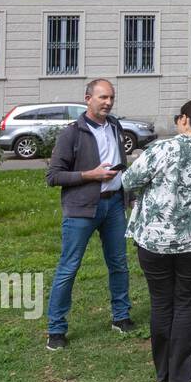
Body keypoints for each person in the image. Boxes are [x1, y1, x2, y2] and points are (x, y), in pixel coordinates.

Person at [122, 99, 191, 382]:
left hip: (153, 240)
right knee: (186, 302)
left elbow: (129, 180)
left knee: (161, 303)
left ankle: (164, 372)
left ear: (184, 120)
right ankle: (182, 373)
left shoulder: (159, 149)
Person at [45, 79, 134, 350]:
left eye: (111, 98)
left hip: (114, 206)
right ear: (88, 99)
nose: (107, 102)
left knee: (119, 264)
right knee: (69, 267)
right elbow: (53, 176)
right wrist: (90, 175)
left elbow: (122, 164)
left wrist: (129, 194)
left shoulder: (116, 126)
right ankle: (56, 330)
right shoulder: (72, 133)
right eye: (102, 97)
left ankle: (121, 317)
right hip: (81, 210)